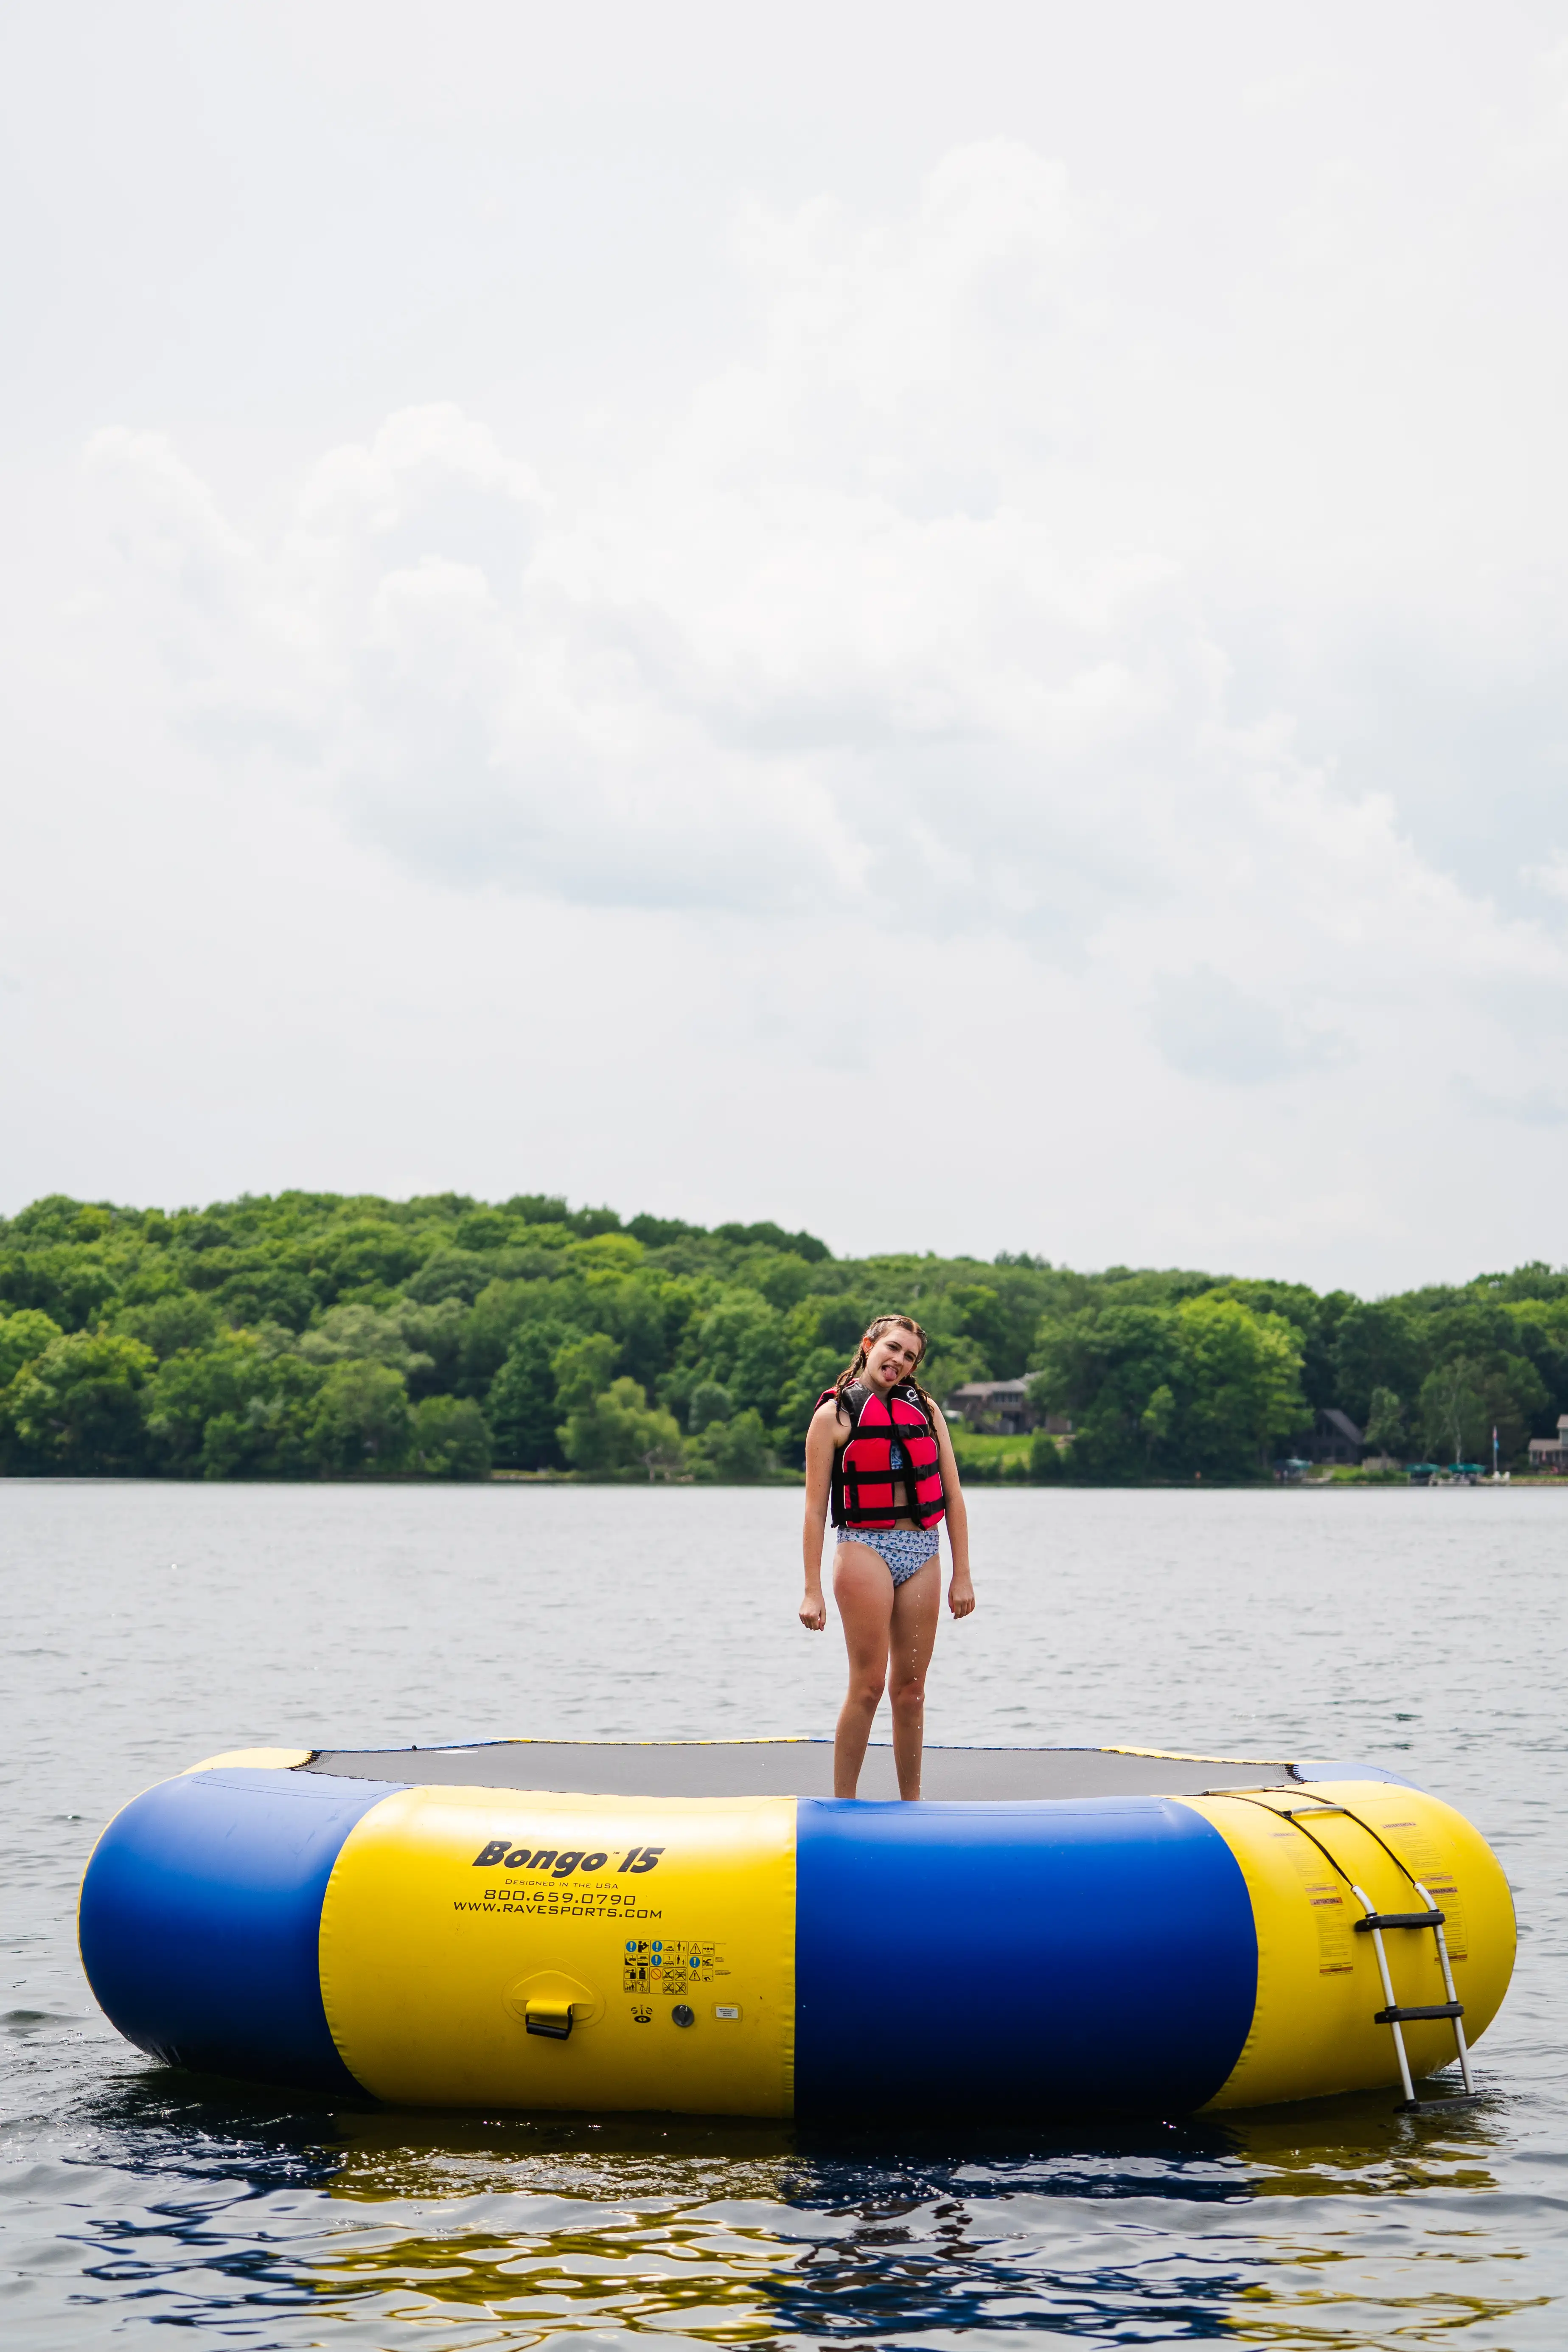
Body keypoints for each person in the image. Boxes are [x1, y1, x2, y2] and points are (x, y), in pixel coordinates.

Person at [799, 1314, 973, 1799]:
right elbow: (814, 1511)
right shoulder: (832, 1417)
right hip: (863, 1548)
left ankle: (911, 1805)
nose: (898, 1360)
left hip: (923, 1550)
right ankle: (843, 1805)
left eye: (909, 1355)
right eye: (892, 1348)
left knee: (910, 1690)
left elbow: (954, 1498)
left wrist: (963, 1575)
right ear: (868, 1344)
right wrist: (812, 1590)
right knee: (869, 1685)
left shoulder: (926, 1411)